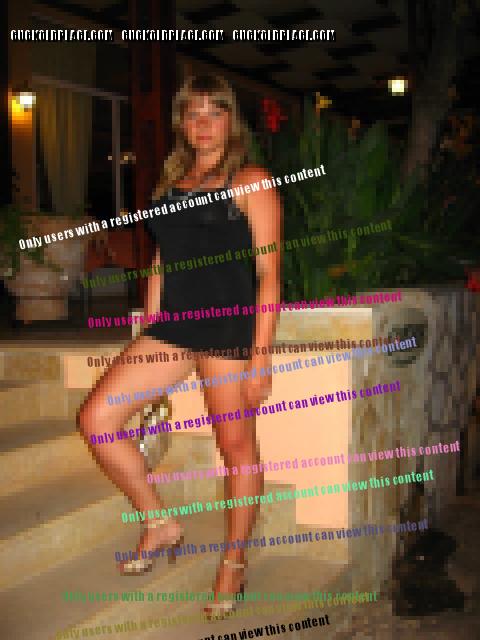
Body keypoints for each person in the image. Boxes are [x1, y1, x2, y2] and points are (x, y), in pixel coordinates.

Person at [78, 73, 281, 619]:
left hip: (229, 332)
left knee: (235, 449)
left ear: (231, 120)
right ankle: (159, 522)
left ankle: (234, 562)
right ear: (182, 124)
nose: (203, 123)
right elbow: (164, 261)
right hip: (173, 327)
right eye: (193, 114)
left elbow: (268, 274)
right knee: (96, 419)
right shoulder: (170, 186)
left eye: (215, 112)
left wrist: (261, 356)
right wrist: (148, 325)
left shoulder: (251, 180)